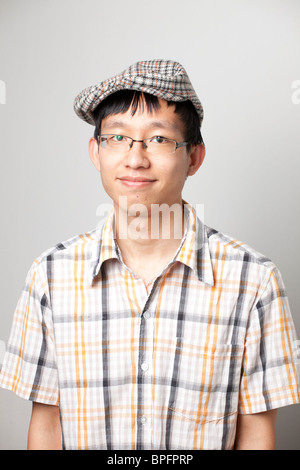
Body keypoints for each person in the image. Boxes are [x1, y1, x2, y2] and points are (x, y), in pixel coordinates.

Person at [0, 60, 299, 450]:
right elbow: (47, 426)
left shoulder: (254, 281)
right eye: (117, 138)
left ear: (194, 157)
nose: (135, 158)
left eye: (159, 139)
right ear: (95, 152)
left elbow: (256, 434)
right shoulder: (51, 277)